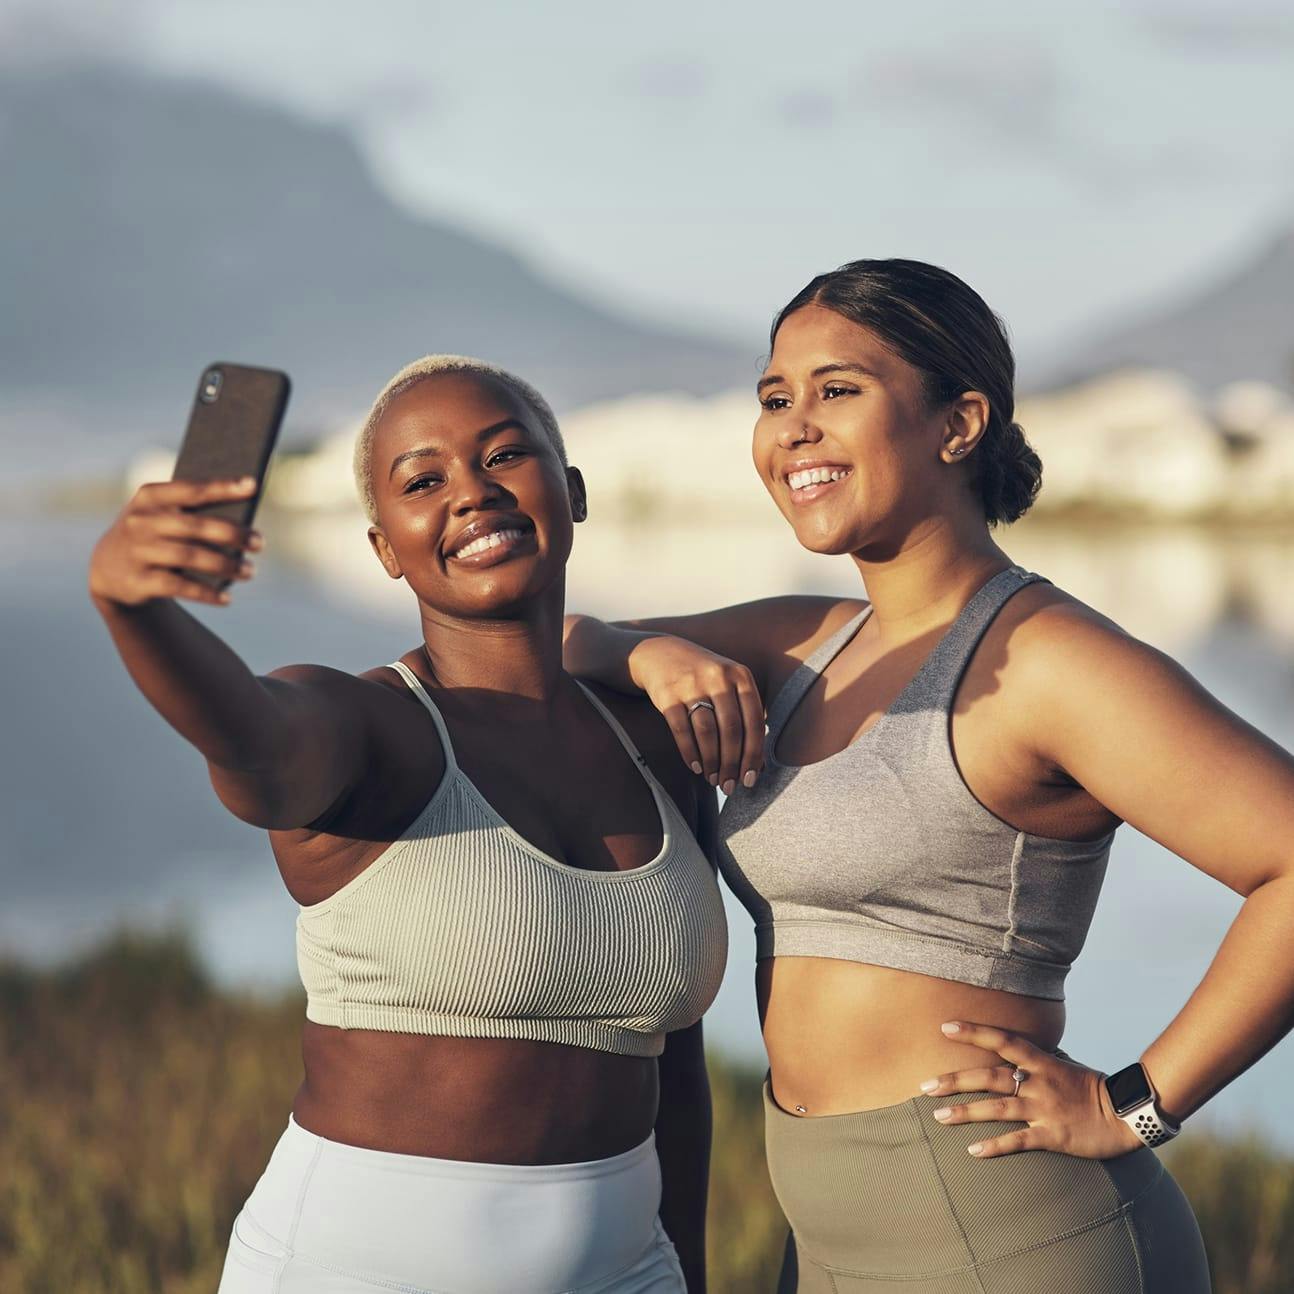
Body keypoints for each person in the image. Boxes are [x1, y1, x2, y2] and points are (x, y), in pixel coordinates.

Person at [564, 259, 1294, 1291]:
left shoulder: (1047, 660)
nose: (793, 427)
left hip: (1012, 1235)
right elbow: (537, 651)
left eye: (838, 390)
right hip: (821, 1240)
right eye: (774, 397)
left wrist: (1132, 1102)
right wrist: (635, 650)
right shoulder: (802, 641)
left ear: (956, 425)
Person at [89, 355, 728, 1294]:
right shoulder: (364, 728)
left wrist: (687, 1266)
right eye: (423, 481)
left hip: (632, 1266)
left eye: (505, 455)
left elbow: (677, 1061)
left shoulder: (656, 737)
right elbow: (248, 735)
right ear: (386, 546)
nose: (472, 493)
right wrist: (131, 607)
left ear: (572, 491)